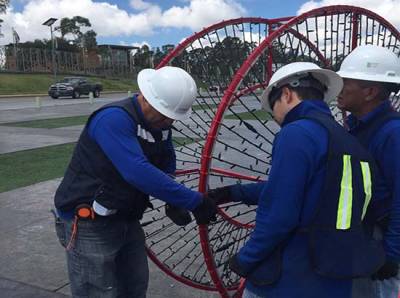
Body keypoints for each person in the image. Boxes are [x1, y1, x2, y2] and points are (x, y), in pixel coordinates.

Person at [207, 62, 385, 298]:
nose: (275, 117)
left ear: (287, 94)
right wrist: (234, 193)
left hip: (289, 277)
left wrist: (245, 259)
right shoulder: (347, 140)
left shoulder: (297, 133)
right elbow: (312, 190)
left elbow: (280, 213)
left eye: (274, 106)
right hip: (335, 278)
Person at [53, 66, 217, 298]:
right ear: (148, 99)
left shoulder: (159, 125)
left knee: (134, 287)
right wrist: (193, 201)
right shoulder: (113, 119)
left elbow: (166, 160)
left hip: (125, 217)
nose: (168, 122)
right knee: (97, 292)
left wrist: (173, 200)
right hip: (88, 222)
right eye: (165, 115)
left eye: (171, 118)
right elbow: (136, 171)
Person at [336, 45, 400, 298]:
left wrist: (392, 254)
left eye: (345, 82)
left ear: (370, 92)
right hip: (364, 234)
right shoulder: (356, 127)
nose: (338, 88)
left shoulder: (392, 133)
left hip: (382, 239)